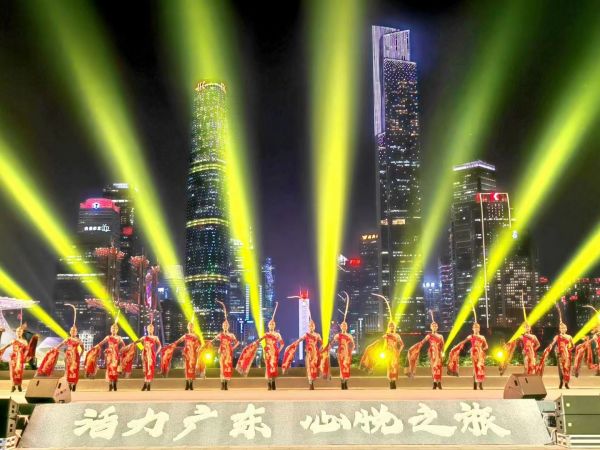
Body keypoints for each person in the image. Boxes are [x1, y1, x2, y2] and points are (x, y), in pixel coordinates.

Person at [447, 303, 488, 390]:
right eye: (474, 327)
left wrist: (482, 350)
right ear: (473, 329)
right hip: (474, 353)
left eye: (477, 327)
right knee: (475, 367)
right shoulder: (470, 336)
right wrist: (456, 347)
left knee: (481, 368)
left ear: (479, 328)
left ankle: (480, 384)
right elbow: (463, 342)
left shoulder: (482, 337)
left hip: (480, 354)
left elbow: (486, 346)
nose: (476, 328)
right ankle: (475, 384)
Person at [499, 296, 540, 376]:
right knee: (526, 367)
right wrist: (508, 345)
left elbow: (538, 344)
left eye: (528, 327)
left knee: (532, 367)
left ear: (530, 328)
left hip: (532, 354)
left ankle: (532, 380)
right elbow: (514, 341)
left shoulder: (534, 336)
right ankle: (504, 366)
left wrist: (533, 349)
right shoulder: (522, 336)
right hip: (525, 353)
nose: (527, 328)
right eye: (525, 327)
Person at [282, 311, 323, 390]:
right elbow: (299, 340)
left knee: (314, 368)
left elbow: (322, 344)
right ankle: (310, 383)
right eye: (310, 326)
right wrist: (291, 345)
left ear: (314, 327)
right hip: (308, 354)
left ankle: (312, 380)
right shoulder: (306, 335)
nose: (311, 327)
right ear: (308, 327)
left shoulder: (317, 335)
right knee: (309, 368)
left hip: (315, 355)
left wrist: (319, 351)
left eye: (312, 326)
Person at [538, 305, 573, 389]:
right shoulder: (557, 336)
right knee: (560, 369)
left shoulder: (569, 337)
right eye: (561, 328)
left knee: (567, 368)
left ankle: (566, 383)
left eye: (564, 328)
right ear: (560, 329)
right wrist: (550, 349)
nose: (563, 329)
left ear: (566, 329)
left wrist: (568, 349)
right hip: (560, 354)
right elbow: (552, 343)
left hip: (567, 355)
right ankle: (561, 382)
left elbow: (572, 346)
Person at [407, 310, 444, 389]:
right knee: (433, 367)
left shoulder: (441, 336)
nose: (434, 327)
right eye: (433, 326)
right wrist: (415, 348)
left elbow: (442, 346)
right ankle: (435, 382)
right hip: (432, 353)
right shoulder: (429, 336)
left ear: (437, 327)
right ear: (431, 327)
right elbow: (422, 342)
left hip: (438, 353)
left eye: (435, 326)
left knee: (439, 367)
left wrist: (442, 353)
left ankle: (439, 382)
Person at [256, 303, 285, 390]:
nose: (271, 325)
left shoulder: (277, 334)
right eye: (270, 324)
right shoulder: (266, 334)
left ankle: (273, 382)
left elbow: (282, 344)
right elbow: (259, 340)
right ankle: (269, 383)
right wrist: (255, 344)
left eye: (273, 324)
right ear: (268, 326)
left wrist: (278, 350)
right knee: (268, 367)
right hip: (267, 353)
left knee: (274, 367)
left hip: (274, 353)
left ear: (274, 325)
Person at [212, 301, 239, 390]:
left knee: (228, 367)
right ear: (222, 326)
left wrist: (232, 348)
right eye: (224, 325)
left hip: (228, 353)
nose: (225, 325)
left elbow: (237, 343)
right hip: (222, 353)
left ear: (228, 326)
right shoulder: (220, 334)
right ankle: (222, 384)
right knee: (222, 368)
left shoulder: (231, 335)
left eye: (226, 325)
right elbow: (213, 340)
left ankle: (226, 384)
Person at [95, 315, 125, 391]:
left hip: (116, 355)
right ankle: (110, 384)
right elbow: (101, 343)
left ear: (117, 330)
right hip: (109, 356)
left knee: (115, 369)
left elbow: (123, 346)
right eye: (112, 328)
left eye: (115, 328)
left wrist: (121, 350)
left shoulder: (119, 338)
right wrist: (95, 347)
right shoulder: (108, 337)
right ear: (110, 330)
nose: (114, 330)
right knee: (109, 369)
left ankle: (114, 384)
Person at [331, 292, 355, 390]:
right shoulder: (338, 335)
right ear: (341, 327)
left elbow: (353, 345)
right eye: (342, 325)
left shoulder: (349, 335)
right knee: (342, 367)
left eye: (345, 325)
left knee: (347, 367)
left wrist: (350, 351)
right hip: (340, 353)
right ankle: (342, 382)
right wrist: (332, 351)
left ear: (347, 327)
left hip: (347, 354)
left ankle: (346, 382)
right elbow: (332, 343)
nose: (344, 326)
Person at [59, 304, 83, 391]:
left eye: (74, 331)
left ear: (76, 332)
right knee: (68, 369)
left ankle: (74, 384)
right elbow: (60, 344)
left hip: (75, 356)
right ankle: (69, 383)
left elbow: (83, 348)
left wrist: (80, 355)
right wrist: (55, 348)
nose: (73, 332)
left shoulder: (78, 340)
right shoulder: (68, 339)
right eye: (72, 330)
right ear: (70, 332)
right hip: (68, 356)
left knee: (75, 369)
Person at [174, 319, 202, 390]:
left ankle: (191, 384)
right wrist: (173, 345)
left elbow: (200, 344)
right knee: (186, 368)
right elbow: (178, 341)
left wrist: (198, 348)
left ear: (193, 327)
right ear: (187, 327)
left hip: (193, 354)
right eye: (189, 325)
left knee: (192, 368)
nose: (190, 327)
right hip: (186, 354)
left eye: (191, 326)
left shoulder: (196, 336)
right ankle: (187, 383)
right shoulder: (185, 335)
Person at [0, 324, 29, 392]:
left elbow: (27, 350)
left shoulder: (25, 341)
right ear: (16, 332)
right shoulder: (13, 340)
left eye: (20, 331)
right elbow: (7, 346)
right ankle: (13, 386)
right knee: (12, 372)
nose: (18, 332)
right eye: (17, 331)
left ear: (22, 332)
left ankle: (19, 385)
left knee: (19, 372)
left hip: (20, 358)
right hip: (13, 358)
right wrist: (1, 349)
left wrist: (25, 357)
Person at [135, 321, 161, 391]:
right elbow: (137, 342)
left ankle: (147, 384)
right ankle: (146, 384)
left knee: (150, 369)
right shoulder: (144, 337)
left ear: (153, 329)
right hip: (145, 355)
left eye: (151, 328)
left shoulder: (155, 337)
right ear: (147, 329)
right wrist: (133, 344)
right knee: (146, 370)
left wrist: (156, 353)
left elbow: (160, 346)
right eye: (149, 328)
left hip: (152, 355)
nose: (150, 329)